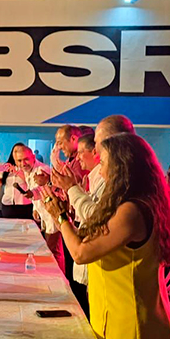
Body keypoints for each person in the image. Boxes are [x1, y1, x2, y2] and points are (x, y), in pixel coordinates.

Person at [43, 133, 170, 339]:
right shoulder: (127, 205)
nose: (100, 170)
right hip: (117, 321)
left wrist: (60, 217)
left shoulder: (132, 211)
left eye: (103, 162)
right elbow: (89, 237)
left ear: (122, 166)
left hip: (132, 328)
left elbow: (81, 252)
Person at [58, 133, 104, 317]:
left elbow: (94, 217)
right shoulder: (92, 177)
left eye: (81, 152)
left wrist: (71, 188)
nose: (77, 158)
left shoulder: (104, 179)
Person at [13, 145, 64, 272]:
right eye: (19, 160)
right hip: (46, 215)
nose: (23, 163)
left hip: (53, 215)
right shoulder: (28, 171)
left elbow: (43, 188)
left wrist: (32, 194)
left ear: (33, 157)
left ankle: (58, 278)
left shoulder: (42, 170)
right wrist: (35, 209)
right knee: (52, 250)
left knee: (52, 251)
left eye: (26, 159)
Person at [0, 143, 33, 220]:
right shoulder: (7, 166)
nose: (17, 153)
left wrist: (16, 171)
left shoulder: (27, 166)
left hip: (24, 204)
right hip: (8, 203)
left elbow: (29, 181)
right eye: (15, 151)